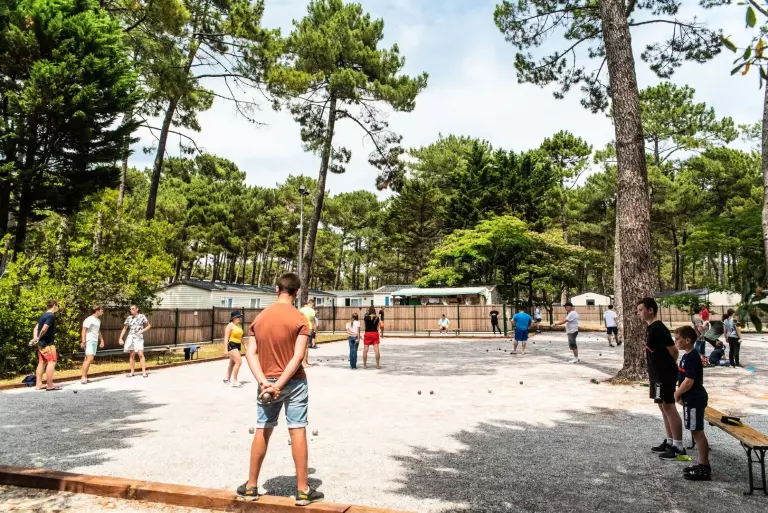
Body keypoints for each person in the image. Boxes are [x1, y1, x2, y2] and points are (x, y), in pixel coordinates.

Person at [237, 272, 324, 506]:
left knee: (262, 428)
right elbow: (298, 356)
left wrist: (264, 382)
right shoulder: (300, 319)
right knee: (297, 429)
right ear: (297, 292)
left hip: (266, 381)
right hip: (294, 382)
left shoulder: (260, 318)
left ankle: (251, 487)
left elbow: (250, 354)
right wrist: (280, 384)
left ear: (276, 289)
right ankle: (303, 490)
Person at [637, 297, 686, 461]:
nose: (639, 313)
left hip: (664, 374)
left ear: (650, 310)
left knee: (669, 406)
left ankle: (678, 447)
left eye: (641, 310)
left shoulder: (659, 328)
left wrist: (668, 366)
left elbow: (674, 351)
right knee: (662, 406)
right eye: (638, 310)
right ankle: (670, 441)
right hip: (655, 374)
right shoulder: (650, 328)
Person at [674, 326, 711, 481]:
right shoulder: (685, 356)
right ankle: (701, 464)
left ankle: (704, 467)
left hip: (695, 398)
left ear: (687, 340)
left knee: (697, 432)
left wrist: (677, 393)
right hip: (689, 399)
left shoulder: (692, 357)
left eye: (678, 339)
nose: (675, 342)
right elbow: (682, 378)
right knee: (694, 430)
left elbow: (689, 381)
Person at [33, 300, 60, 391]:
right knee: (52, 361)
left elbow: (36, 328)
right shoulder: (51, 316)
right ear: (54, 305)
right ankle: (50, 384)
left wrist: (35, 338)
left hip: (41, 344)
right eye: (57, 306)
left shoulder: (43, 315)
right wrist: (38, 338)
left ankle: (38, 384)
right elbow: (44, 329)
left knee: (42, 362)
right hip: (48, 344)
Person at [118, 304, 151, 378]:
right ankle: (132, 372)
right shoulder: (129, 318)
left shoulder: (142, 316)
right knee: (131, 355)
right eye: (130, 309)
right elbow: (125, 328)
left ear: (137, 309)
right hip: (131, 337)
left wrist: (141, 331)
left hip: (139, 338)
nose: (131, 310)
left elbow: (149, 326)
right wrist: (120, 338)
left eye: (133, 309)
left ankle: (144, 372)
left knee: (140, 354)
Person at [80, 306, 105, 384]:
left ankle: (85, 377)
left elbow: (98, 331)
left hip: (95, 340)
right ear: (97, 311)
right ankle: (83, 377)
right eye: (101, 310)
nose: (102, 312)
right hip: (89, 340)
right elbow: (84, 330)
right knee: (90, 358)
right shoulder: (89, 319)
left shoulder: (98, 320)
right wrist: (83, 341)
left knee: (88, 359)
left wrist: (102, 340)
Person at [224, 311, 245, 387]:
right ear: (233, 318)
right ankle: (235, 381)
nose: (239, 318)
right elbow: (226, 338)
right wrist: (225, 350)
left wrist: (245, 345)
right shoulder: (230, 325)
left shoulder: (239, 326)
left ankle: (227, 379)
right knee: (239, 362)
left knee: (232, 363)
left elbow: (241, 337)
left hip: (237, 345)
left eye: (240, 317)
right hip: (231, 345)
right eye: (238, 317)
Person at [299, 301, 317, 367]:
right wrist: (315, 331)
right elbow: (313, 321)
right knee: (306, 346)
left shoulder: (301, 310)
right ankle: (304, 362)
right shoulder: (312, 311)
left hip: (301, 328)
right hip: (309, 328)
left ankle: (304, 362)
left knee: (302, 346)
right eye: (313, 305)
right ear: (311, 304)